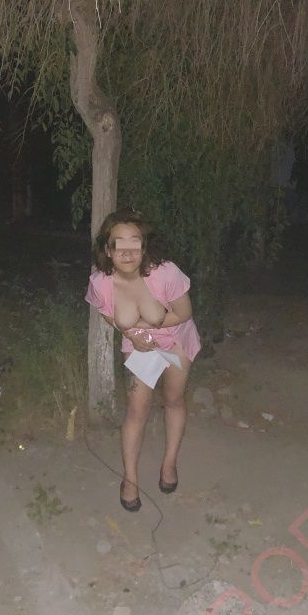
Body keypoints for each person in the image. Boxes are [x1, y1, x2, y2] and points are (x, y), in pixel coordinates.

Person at [85, 208, 201, 511]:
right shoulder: (100, 282)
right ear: (107, 250)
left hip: (175, 339)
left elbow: (183, 313)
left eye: (134, 243)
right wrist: (131, 334)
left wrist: (142, 327)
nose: (127, 252)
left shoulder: (165, 273)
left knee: (173, 399)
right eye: (118, 244)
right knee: (137, 410)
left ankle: (169, 463)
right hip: (138, 345)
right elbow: (106, 313)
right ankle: (130, 479)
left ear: (144, 247)